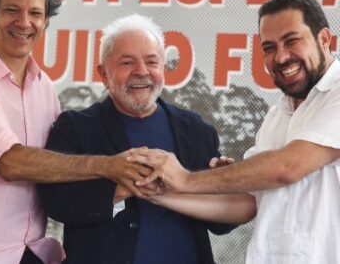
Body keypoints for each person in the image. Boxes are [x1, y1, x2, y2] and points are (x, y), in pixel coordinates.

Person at [0, 0, 159, 264]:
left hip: (33, 253)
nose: (24, 22)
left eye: (36, 13)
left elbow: (59, 164)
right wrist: (111, 166)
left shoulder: (43, 86)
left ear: (47, 21)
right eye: (12, 10)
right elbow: (9, 161)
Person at [130, 0, 340, 263]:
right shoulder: (279, 113)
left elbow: (287, 168)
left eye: (291, 41)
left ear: (324, 39)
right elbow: (245, 203)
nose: (281, 57)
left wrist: (184, 178)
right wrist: (159, 192)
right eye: (269, 47)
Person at [38, 14, 237, 264]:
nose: (141, 72)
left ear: (163, 69)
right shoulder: (75, 128)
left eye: (152, 62)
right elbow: (56, 203)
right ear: (103, 73)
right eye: (127, 63)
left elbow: (221, 226)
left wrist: (224, 184)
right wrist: (120, 188)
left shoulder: (196, 129)